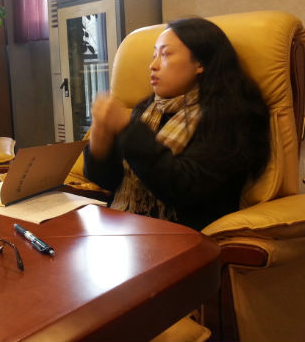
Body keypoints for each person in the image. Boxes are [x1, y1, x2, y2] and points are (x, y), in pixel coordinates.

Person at [83, 17, 270, 230]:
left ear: (200, 62)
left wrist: (128, 129)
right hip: (129, 227)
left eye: (165, 54)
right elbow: (109, 182)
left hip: (185, 235)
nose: (153, 65)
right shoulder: (148, 109)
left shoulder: (230, 116)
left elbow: (183, 188)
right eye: (154, 55)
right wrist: (100, 138)